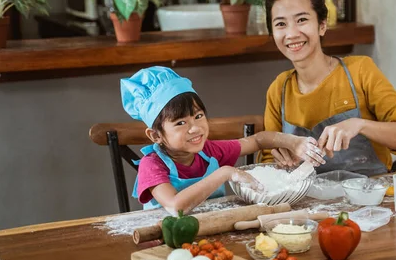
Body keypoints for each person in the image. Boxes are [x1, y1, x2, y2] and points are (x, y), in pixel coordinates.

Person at [260, 0, 396, 176]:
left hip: (369, 198)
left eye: (302, 20)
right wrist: (281, 158)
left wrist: (360, 125)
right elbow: (269, 160)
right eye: (280, 24)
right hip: (308, 203)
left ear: (322, 25)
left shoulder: (361, 71)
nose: (292, 33)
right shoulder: (279, 90)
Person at [121, 66, 324, 214]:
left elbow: (258, 141)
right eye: (180, 123)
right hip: (166, 242)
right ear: (156, 135)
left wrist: (293, 142)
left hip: (210, 235)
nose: (195, 128)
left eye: (198, 116)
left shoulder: (208, 152)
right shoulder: (152, 165)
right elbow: (175, 206)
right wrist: (225, 173)